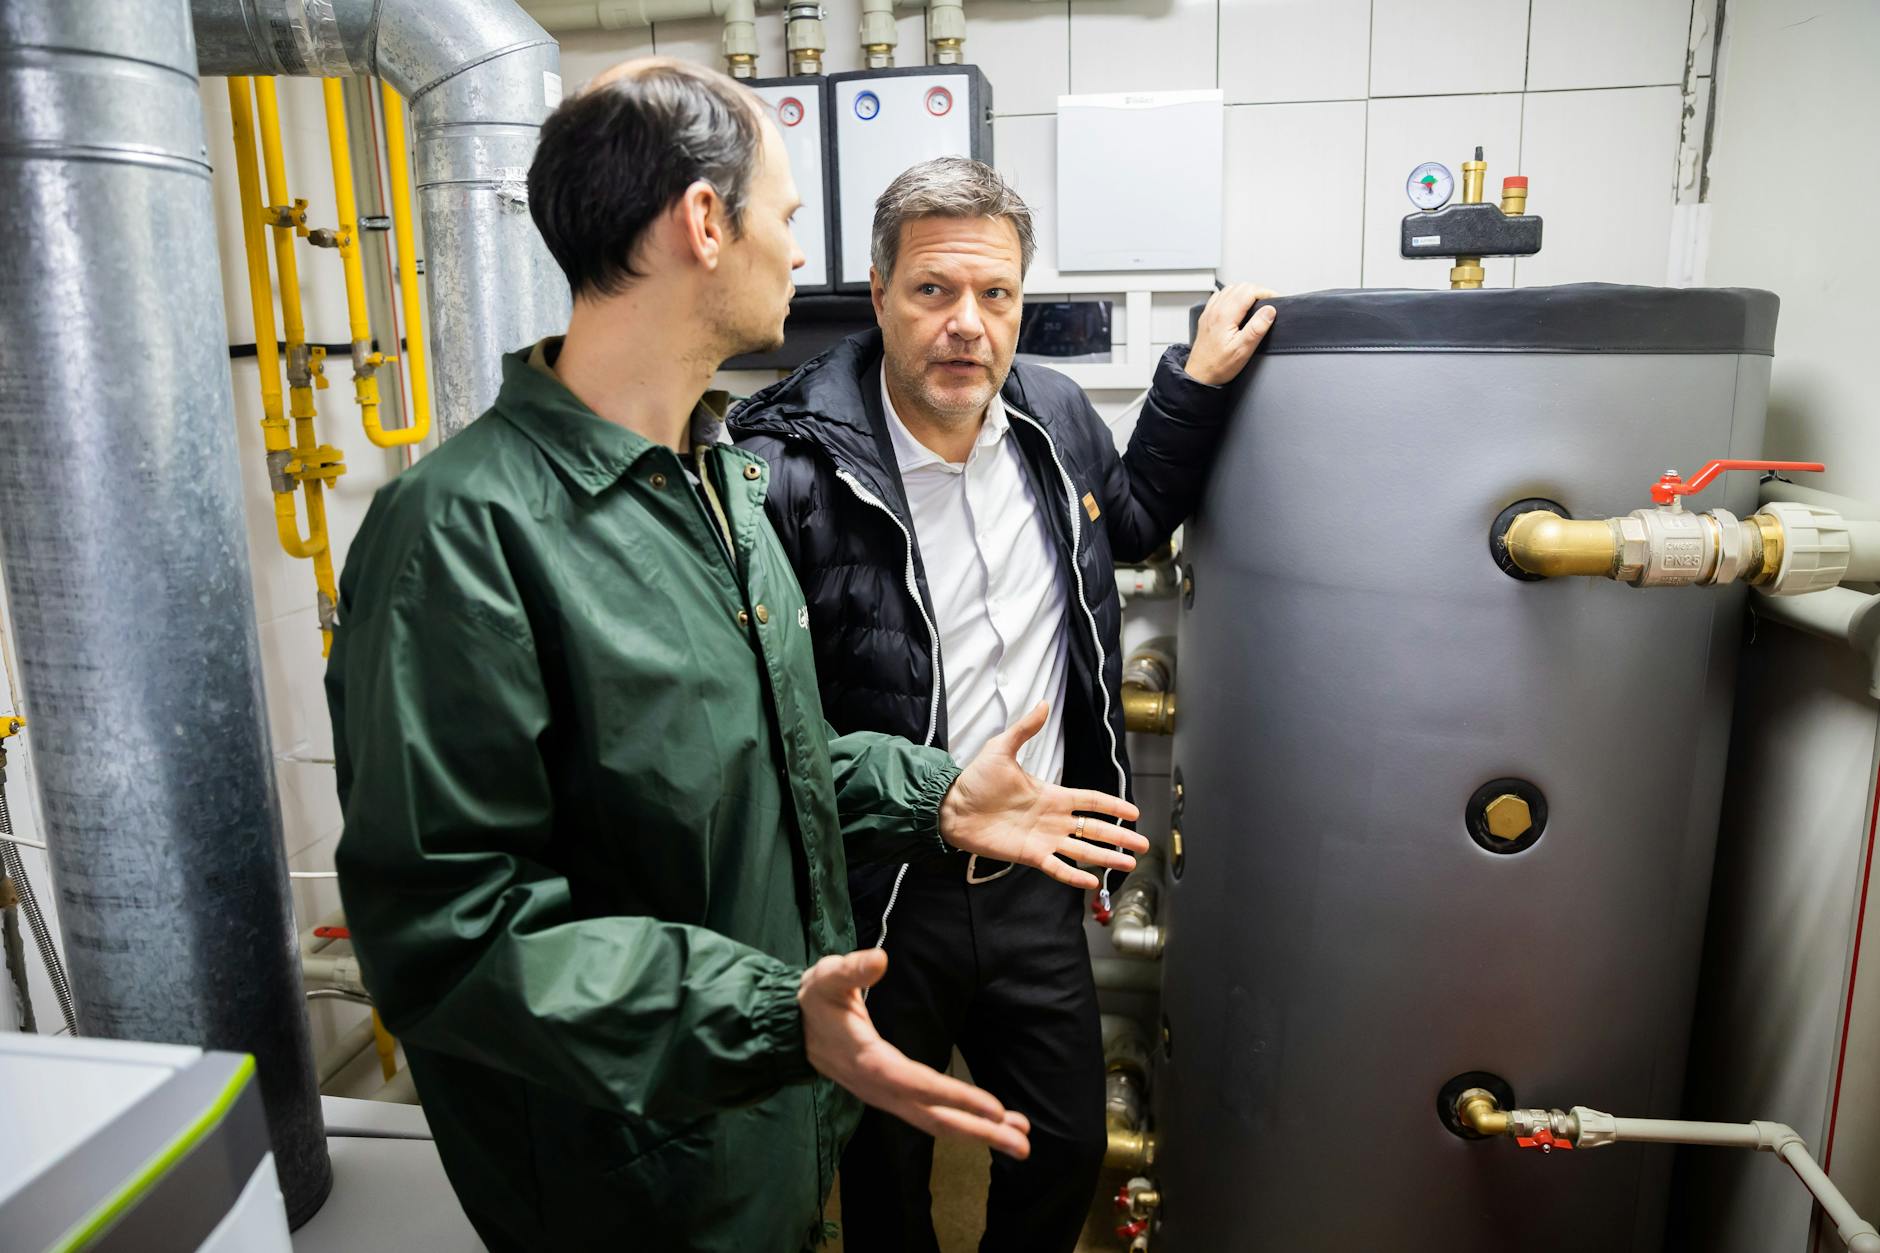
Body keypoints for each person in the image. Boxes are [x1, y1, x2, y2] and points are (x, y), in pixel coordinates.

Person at [325, 63, 1143, 1253]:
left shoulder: (717, 489)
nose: (793, 255)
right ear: (706, 223)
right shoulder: (462, 531)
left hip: (754, 1136)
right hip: (629, 1172)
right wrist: (769, 1014)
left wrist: (936, 790)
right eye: (786, 216)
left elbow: (777, 758)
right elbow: (451, 936)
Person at [730, 157, 1275, 1252]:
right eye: (933, 290)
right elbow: (756, 719)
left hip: (1029, 867)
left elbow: (1121, 523)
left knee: (1062, 1142)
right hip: (882, 883)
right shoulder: (781, 463)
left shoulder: (1051, 414)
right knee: (885, 1156)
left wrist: (1194, 384)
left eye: (996, 295)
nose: (966, 324)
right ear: (878, 293)